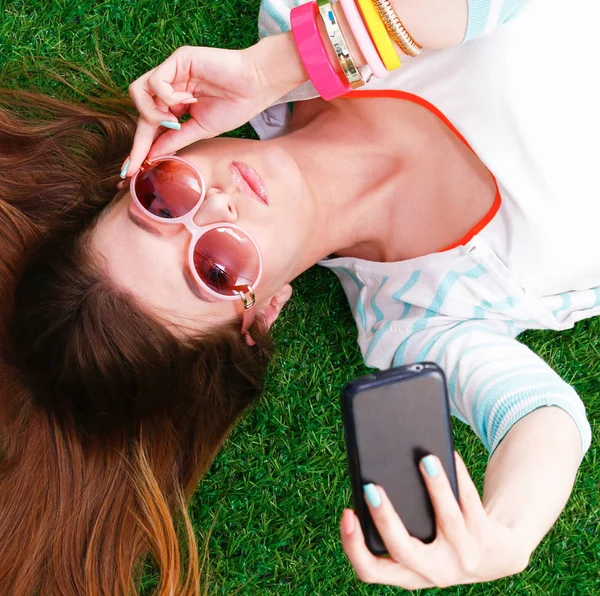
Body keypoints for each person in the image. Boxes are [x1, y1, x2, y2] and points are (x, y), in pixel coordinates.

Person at [0, 0, 597, 593]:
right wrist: (512, 533)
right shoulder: (416, 321)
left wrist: (275, 69)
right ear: (261, 314)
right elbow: (538, 419)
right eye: (216, 266)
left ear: (144, 163)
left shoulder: (296, 24)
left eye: (162, 199)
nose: (217, 204)